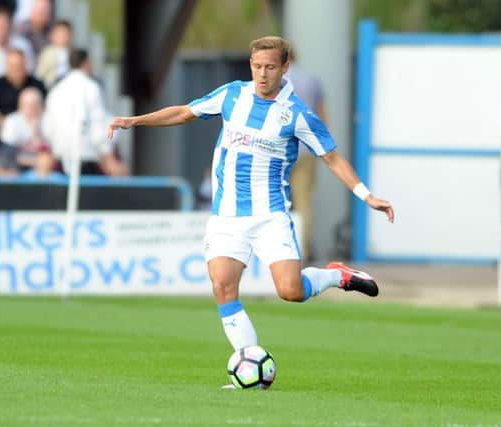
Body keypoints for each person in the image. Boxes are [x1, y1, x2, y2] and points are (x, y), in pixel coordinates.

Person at [108, 36, 394, 387]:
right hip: (226, 216)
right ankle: (251, 368)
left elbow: (332, 158)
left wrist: (367, 196)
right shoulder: (232, 95)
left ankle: (336, 275)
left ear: (285, 67)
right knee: (223, 286)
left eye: (270, 67)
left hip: (270, 215)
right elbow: (184, 112)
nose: (262, 74)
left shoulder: (298, 114)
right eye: (256, 66)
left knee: (290, 291)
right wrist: (134, 121)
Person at [43, 49, 115, 175]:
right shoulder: (92, 87)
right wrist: (106, 153)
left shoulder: (56, 90)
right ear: (86, 63)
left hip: (61, 157)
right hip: (86, 158)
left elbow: (48, 127)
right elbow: (98, 122)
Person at [286, 49, 327, 262]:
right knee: (304, 204)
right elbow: (321, 116)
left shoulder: (275, 80)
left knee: (272, 200)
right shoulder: (312, 80)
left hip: (279, 149)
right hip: (305, 149)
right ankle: (301, 253)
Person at [0, 48, 46, 115]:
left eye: (20, 65)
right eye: (13, 66)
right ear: (7, 66)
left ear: (25, 65)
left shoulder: (37, 86)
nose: (17, 70)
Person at [0, 86, 47, 170]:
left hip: (44, 168)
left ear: (41, 105)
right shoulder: (12, 121)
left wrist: (35, 134)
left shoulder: (48, 120)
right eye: (28, 105)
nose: (32, 108)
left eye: (35, 104)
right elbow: (7, 152)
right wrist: (34, 161)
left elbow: (51, 152)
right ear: (20, 105)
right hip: (16, 167)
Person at [35, 20, 72, 88]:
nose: (63, 37)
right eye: (60, 34)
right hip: (51, 85)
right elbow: (40, 73)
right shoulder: (47, 52)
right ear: (53, 35)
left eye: (66, 34)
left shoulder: (72, 53)